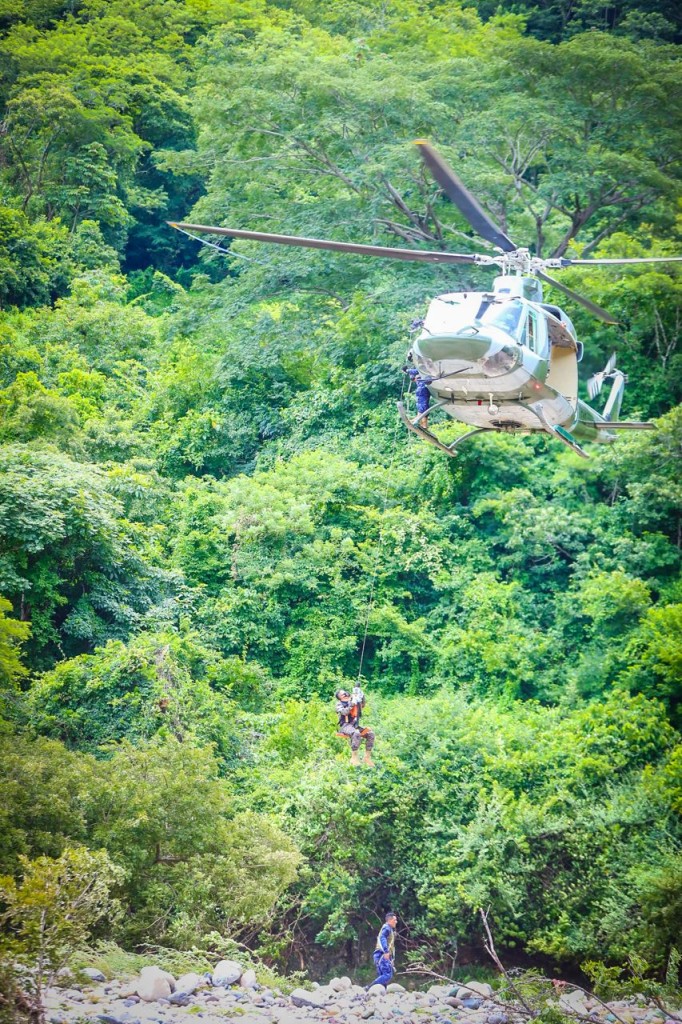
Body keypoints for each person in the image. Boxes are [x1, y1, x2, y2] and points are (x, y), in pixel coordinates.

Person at [335, 687, 375, 767]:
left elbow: (362, 705)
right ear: (340, 697)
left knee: (370, 734)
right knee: (356, 733)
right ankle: (354, 758)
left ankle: (367, 758)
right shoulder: (339, 704)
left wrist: (361, 696)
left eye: (345, 693)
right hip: (345, 726)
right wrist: (351, 704)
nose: (345, 695)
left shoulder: (353, 700)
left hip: (354, 725)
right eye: (343, 695)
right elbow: (344, 712)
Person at [367, 912, 398, 990]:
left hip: (379, 955)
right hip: (382, 955)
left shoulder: (388, 928)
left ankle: (381, 994)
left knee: (383, 976)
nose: (396, 922)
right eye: (395, 920)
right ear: (390, 920)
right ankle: (369, 987)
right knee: (387, 975)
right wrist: (386, 952)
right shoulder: (387, 928)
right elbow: (383, 937)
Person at [402, 365, 434, 429]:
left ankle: (423, 424)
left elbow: (417, 371)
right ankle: (421, 422)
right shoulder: (419, 382)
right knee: (421, 408)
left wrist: (407, 370)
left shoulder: (421, 375)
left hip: (422, 392)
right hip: (422, 392)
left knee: (423, 408)